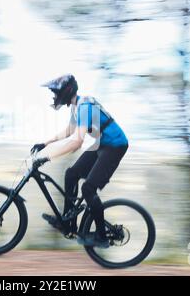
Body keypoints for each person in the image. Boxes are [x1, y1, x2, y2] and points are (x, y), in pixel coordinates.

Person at [31, 74, 129, 248]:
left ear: (66, 91)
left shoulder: (85, 107)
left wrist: (48, 157)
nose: (54, 96)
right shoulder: (76, 107)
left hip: (115, 146)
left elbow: (77, 141)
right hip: (103, 144)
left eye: (55, 92)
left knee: (88, 188)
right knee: (71, 174)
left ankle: (101, 237)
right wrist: (44, 144)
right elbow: (69, 131)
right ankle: (69, 223)